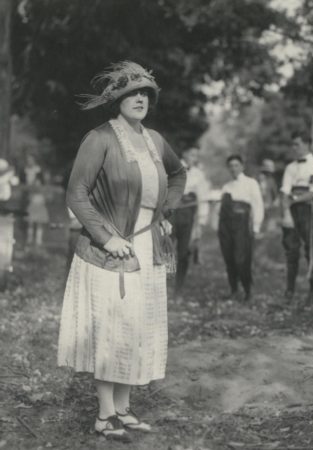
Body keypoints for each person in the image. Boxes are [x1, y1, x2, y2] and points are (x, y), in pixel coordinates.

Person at [57, 61, 186, 442]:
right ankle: (104, 415)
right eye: (133, 93)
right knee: (113, 328)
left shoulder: (155, 141)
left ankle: (124, 409)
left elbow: (178, 174)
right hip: (110, 249)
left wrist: (166, 212)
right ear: (117, 100)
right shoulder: (99, 138)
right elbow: (76, 193)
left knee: (137, 327)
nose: (140, 99)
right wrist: (106, 237)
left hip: (149, 247)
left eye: (146, 93)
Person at [280, 131, 313, 304]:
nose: (294, 148)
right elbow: (285, 191)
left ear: (307, 144)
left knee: (311, 251)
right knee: (291, 251)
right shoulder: (290, 167)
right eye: (293, 145)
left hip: (309, 211)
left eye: (297, 144)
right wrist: (286, 211)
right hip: (292, 211)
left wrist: (295, 199)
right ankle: (289, 291)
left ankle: (312, 291)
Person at [218, 155, 264, 301]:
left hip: (242, 224)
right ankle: (233, 290)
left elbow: (258, 205)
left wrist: (256, 226)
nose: (233, 168)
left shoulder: (251, 183)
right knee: (229, 257)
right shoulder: (226, 186)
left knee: (241, 258)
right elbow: (221, 208)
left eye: (236, 165)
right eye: (230, 166)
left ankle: (248, 290)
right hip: (225, 224)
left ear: (242, 166)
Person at [170, 147, 210, 300]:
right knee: (167, 249)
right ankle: (164, 282)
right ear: (184, 153)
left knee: (184, 252)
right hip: (171, 213)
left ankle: (178, 288)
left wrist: (201, 221)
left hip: (188, 214)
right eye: (192, 154)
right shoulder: (172, 168)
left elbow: (203, 198)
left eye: (197, 155)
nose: (195, 157)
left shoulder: (199, 174)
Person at [26, 171, 49, 246]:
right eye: (36, 181)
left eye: (38, 181)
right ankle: (29, 239)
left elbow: (45, 199)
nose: (37, 183)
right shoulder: (32, 188)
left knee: (39, 224)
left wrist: (42, 199)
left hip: (40, 207)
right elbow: (29, 197)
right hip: (33, 206)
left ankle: (38, 240)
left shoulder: (44, 189)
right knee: (31, 223)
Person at [257, 158, 280, 232]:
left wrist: (274, 202)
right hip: (259, 207)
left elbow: (275, 194)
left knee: (269, 228)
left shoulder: (271, 181)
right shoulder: (256, 180)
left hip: (269, 207)